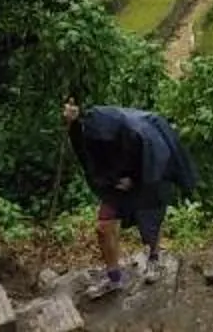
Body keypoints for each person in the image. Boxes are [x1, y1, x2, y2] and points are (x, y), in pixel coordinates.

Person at [63, 99, 199, 300]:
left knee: (150, 220)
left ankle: (153, 258)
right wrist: (73, 124)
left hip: (150, 175)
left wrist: (134, 178)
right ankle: (114, 277)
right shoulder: (93, 129)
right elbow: (86, 156)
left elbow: (154, 162)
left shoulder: (142, 135)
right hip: (118, 180)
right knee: (104, 226)